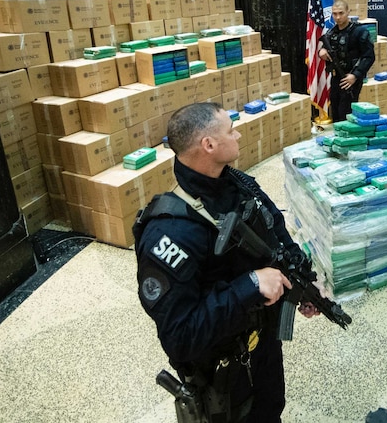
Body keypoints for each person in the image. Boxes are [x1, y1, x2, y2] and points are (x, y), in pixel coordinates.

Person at [133, 102, 319, 423]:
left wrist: (301, 280)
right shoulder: (170, 232)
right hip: (221, 371)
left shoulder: (238, 184)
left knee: (270, 408)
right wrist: (251, 286)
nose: (239, 133)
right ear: (209, 145)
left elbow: (275, 230)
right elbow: (180, 337)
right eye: (231, 129)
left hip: (262, 342)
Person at [317, 0, 375, 122]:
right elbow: (325, 48)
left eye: (341, 13)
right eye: (335, 14)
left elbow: (369, 56)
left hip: (351, 78)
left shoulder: (359, 31)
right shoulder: (332, 32)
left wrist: (355, 75)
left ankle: (348, 139)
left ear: (348, 12)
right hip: (336, 77)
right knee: (336, 111)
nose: (338, 17)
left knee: (346, 112)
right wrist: (321, 52)